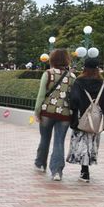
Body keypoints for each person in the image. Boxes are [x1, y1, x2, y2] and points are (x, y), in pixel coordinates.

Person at [66, 57, 104, 183]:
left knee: (82, 143)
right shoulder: (102, 83)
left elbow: (74, 100)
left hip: (81, 119)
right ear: (97, 68)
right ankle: (86, 169)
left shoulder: (79, 82)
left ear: (85, 68)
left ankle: (84, 171)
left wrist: (75, 110)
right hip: (95, 120)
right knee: (91, 143)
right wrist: (103, 115)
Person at [33, 49, 76, 180]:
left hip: (47, 111)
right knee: (59, 141)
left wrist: (37, 111)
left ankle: (40, 163)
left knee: (44, 138)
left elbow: (41, 95)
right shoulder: (72, 77)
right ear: (67, 60)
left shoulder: (48, 74)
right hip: (65, 113)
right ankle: (57, 171)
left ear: (52, 59)